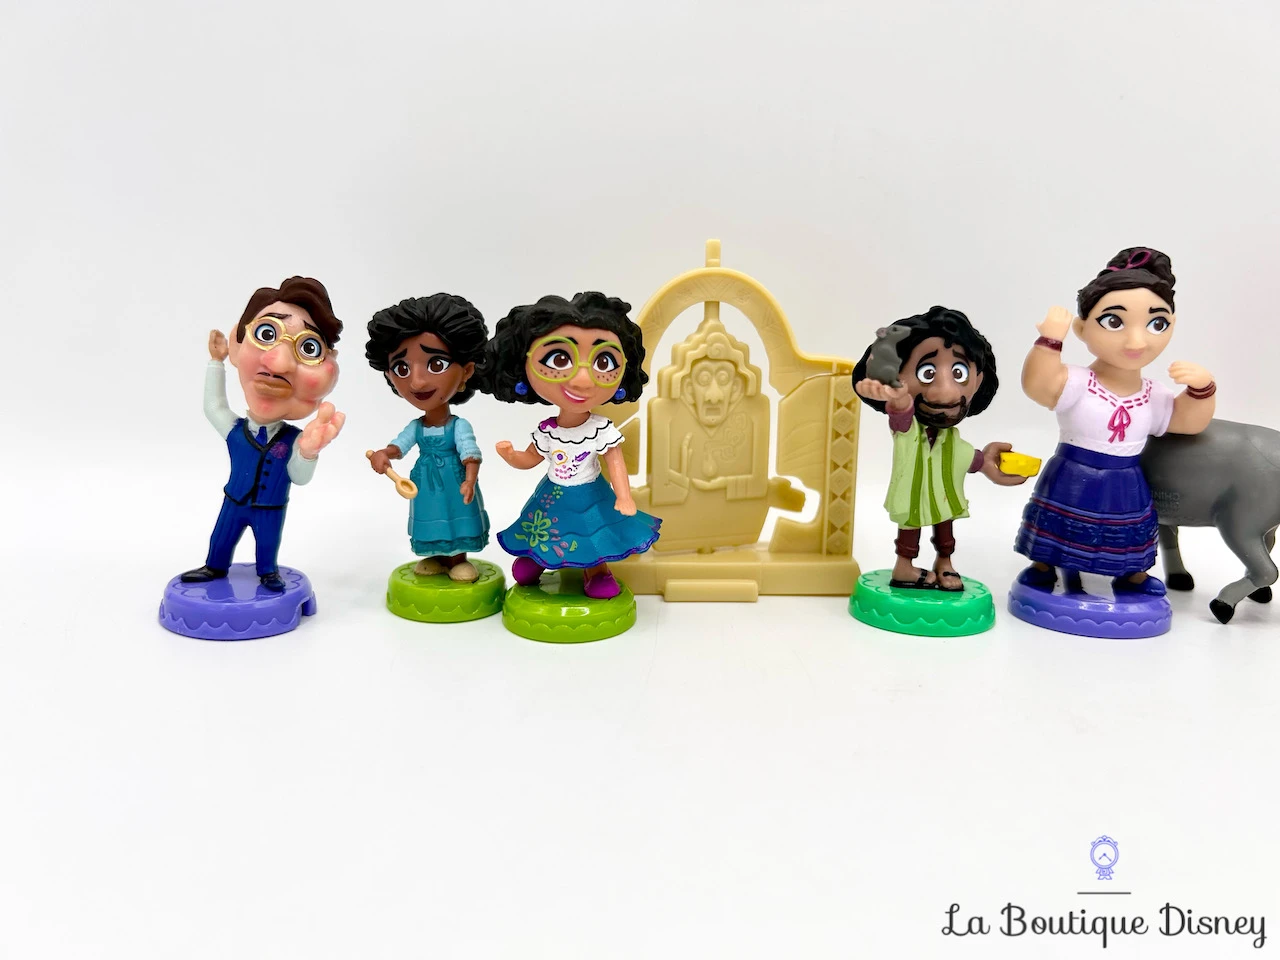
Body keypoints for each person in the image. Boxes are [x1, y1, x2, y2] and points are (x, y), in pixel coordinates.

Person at [1015, 247, 1216, 594]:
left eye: (1156, 324)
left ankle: (1130, 572)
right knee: (1060, 522)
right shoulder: (1079, 382)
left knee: (1126, 531)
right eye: (1114, 322)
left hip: (1124, 479)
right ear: (1081, 328)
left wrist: (1202, 389)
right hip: (1073, 471)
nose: (1136, 340)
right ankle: (1044, 563)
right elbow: (1039, 386)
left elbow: (1186, 421)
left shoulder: (1152, 394)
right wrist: (1049, 341)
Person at [481, 292, 661, 599]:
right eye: (560, 359)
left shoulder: (600, 429)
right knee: (546, 529)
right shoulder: (548, 431)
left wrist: (624, 496)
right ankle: (537, 559)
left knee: (593, 532)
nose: (582, 380)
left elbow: (615, 461)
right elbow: (531, 458)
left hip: (590, 493)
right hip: (553, 494)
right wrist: (511, 456)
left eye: (604, 362)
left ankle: (597, 571)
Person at [181, 277, 345, 592]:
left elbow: (300, 476)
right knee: (222, 535)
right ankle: (214, 566)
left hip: (270, 507)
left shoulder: (293, 439)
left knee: (268, 541)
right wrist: (216, 362)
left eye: (308, 347)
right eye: (267, 333)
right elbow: (214, 407)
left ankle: (268, 572)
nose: (278, 363)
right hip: (235, 500)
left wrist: (309, 452)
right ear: (238, 342)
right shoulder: (235, 431)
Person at [853, 306, 1026, 590]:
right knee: (910, 528)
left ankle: (944, 563)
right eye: (927, 372)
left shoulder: (951, 438)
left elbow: (963, 455)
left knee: (945, 529)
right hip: (912, 494)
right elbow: (901, 415)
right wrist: (897, 398)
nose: (946, 391)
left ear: (978, 380)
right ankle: (904, 567)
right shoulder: (908, 431)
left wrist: (986, 463)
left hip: (944, 495)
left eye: (959, 372)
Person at [365, 294, 490, 582]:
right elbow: (400, 445)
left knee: (455, 516)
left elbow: (470, 453)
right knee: (431, 517)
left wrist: (470, 480)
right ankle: (436, 556)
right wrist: (384, 454)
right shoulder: (416, 426)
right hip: (425, 483)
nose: (417, 381)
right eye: (402, 368)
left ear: (466, 371)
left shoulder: (458, 426)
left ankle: (458, 558)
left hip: (454, 481)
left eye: (436, 365)